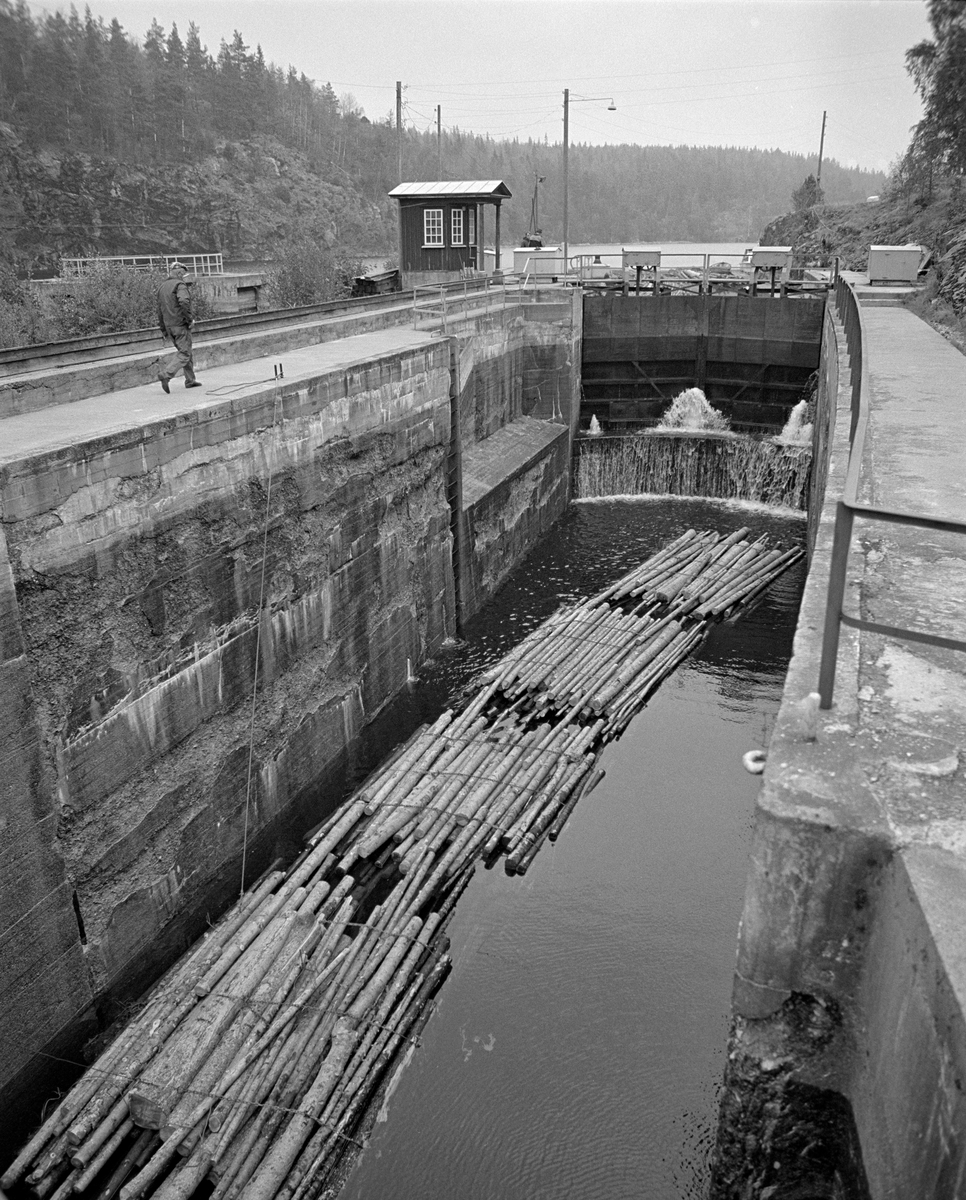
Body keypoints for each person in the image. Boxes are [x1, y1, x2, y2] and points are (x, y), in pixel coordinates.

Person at [157, 262, 202, 391]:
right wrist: (189, 320)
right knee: (185, 353)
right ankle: (166, 374)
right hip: (180, 325)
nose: (184, 276)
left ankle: (190, 380)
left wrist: (163, 329)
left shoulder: (162, 287)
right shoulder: (179, 285)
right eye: (183, 274)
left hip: (169, 326)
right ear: (179, 273)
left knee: (186, 350)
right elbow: (183, 301)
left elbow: (159, 310)